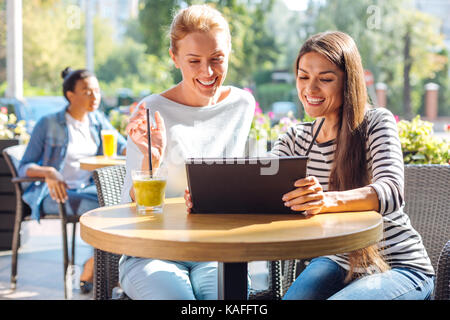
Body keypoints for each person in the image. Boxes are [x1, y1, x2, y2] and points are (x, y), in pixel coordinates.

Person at [188, 30, 436, 300]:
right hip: (337, 261)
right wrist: (210, 197)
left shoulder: (375, 123)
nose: (310, 89)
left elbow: (391, 191)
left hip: (399, 267)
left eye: (325, 79)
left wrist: (325, 201)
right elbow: (256, 186)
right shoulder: (297, 138)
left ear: (347, 82)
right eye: (303, 77)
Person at [119, 4, 255, 300]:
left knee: (228, 299)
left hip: (213, 248)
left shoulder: (242, 105)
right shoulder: (151, 109)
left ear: (229, 53)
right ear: (174, 58)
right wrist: (149, 159)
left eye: (216, 59)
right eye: (194, 60)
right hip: (153, 251)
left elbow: (238, 180)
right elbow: (132, 208)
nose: (207, 72)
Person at [18, 67, 127, 294]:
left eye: (96, 90)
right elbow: (24, 166)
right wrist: (49, 171)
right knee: (108, 211)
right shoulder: (49, 123)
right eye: (87, 91)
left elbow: (123, 147)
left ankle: (96, 267)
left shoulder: (97, 121)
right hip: (55, 194)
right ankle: (101, 272)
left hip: (87, 190)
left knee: (123, 205)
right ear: (70, 95)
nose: (94, 96)